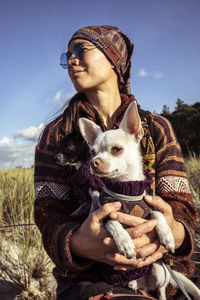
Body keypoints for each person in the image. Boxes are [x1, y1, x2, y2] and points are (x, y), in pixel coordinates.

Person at [34, 25, 197, 300]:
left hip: (164, 272)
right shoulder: (57, 134)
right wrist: (79, 243)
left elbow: (182, 209)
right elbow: (48, 216)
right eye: (67, 56)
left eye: (79, 50)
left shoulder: (156, 128)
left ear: (114, 60)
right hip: (90, 279)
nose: (71, 60)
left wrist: (170, 232)